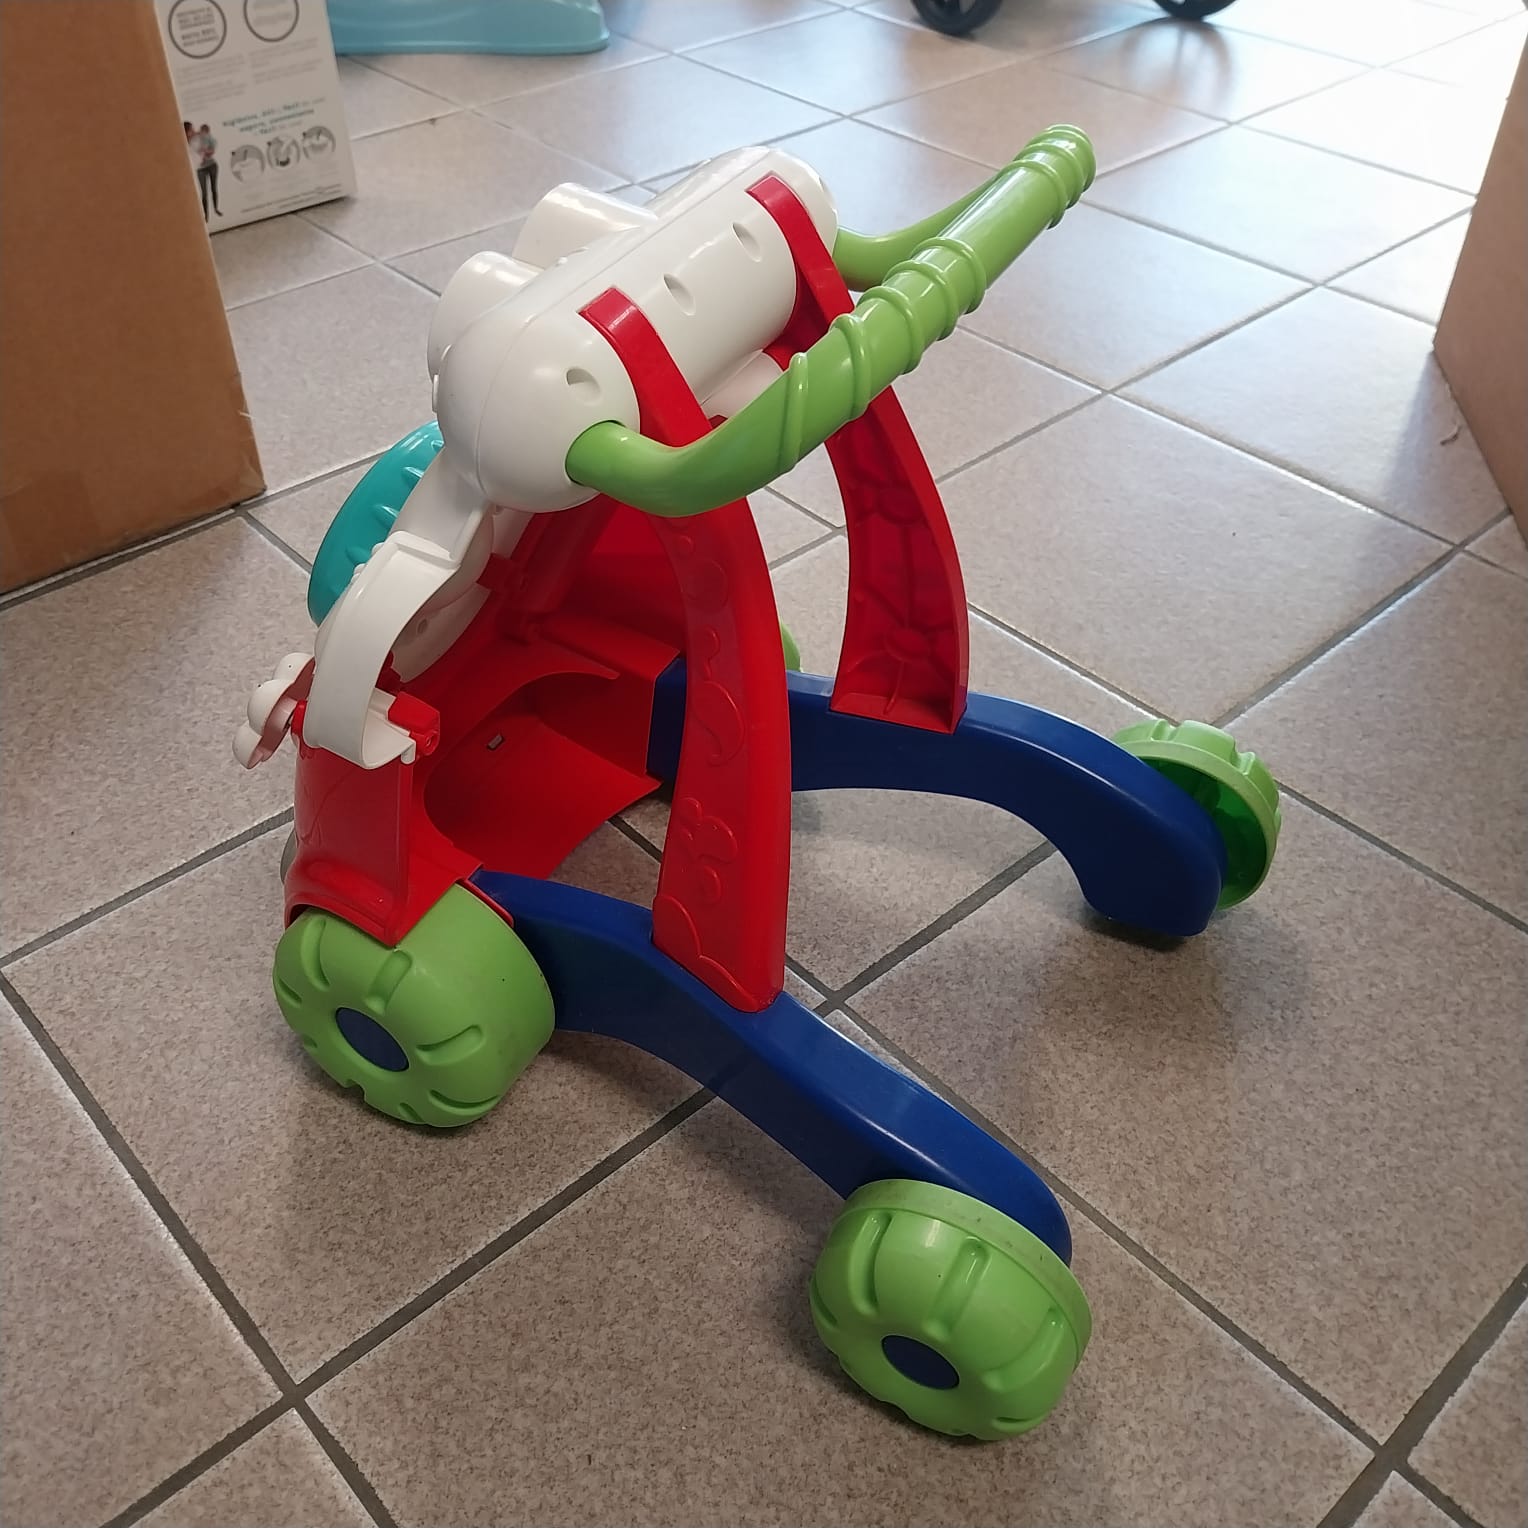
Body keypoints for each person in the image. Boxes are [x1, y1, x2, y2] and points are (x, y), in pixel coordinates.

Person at [187, 121, 221, 220]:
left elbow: (213, 143)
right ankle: (206, 215)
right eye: (191, 129)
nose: (194, 130)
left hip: (211, 164)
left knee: (214, 188)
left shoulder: (200, 136)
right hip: (200, 169)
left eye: (193, 128)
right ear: (186, 132)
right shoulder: (185, 142)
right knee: (204, 193)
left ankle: (216, 209)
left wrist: (208, 151)